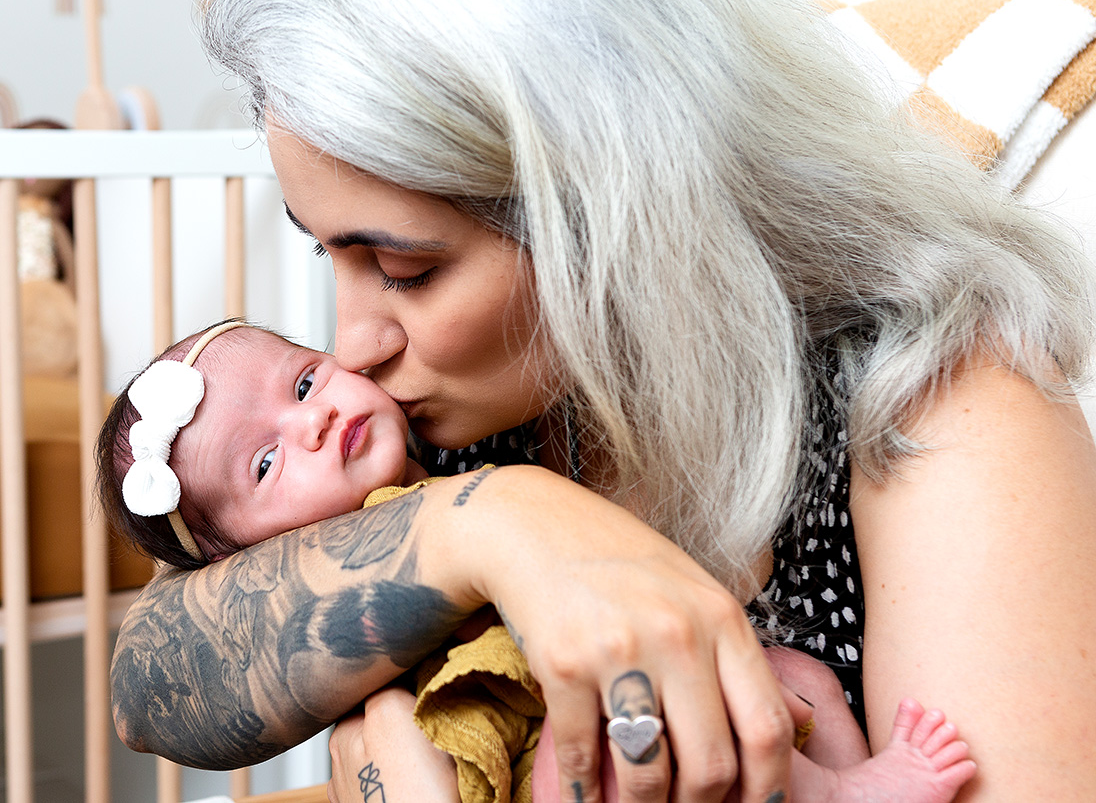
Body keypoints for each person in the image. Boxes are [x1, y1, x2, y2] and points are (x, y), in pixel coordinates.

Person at [110, 0, 1096, 800]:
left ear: (617, 214)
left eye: (404, 269)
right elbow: (147, 687)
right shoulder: (466, 422)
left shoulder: (938, 395)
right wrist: (503, 524)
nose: (350, 344)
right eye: (327, 253)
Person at [99, 319, 974, 803]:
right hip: (521, 744)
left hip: (686, 701)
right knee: (577, 746)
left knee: (790, 670)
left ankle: (854, 786)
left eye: (301, 383)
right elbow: (145, 684)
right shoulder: (326, 554)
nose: (319, 414)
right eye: (264, 463)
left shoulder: (440, 445)